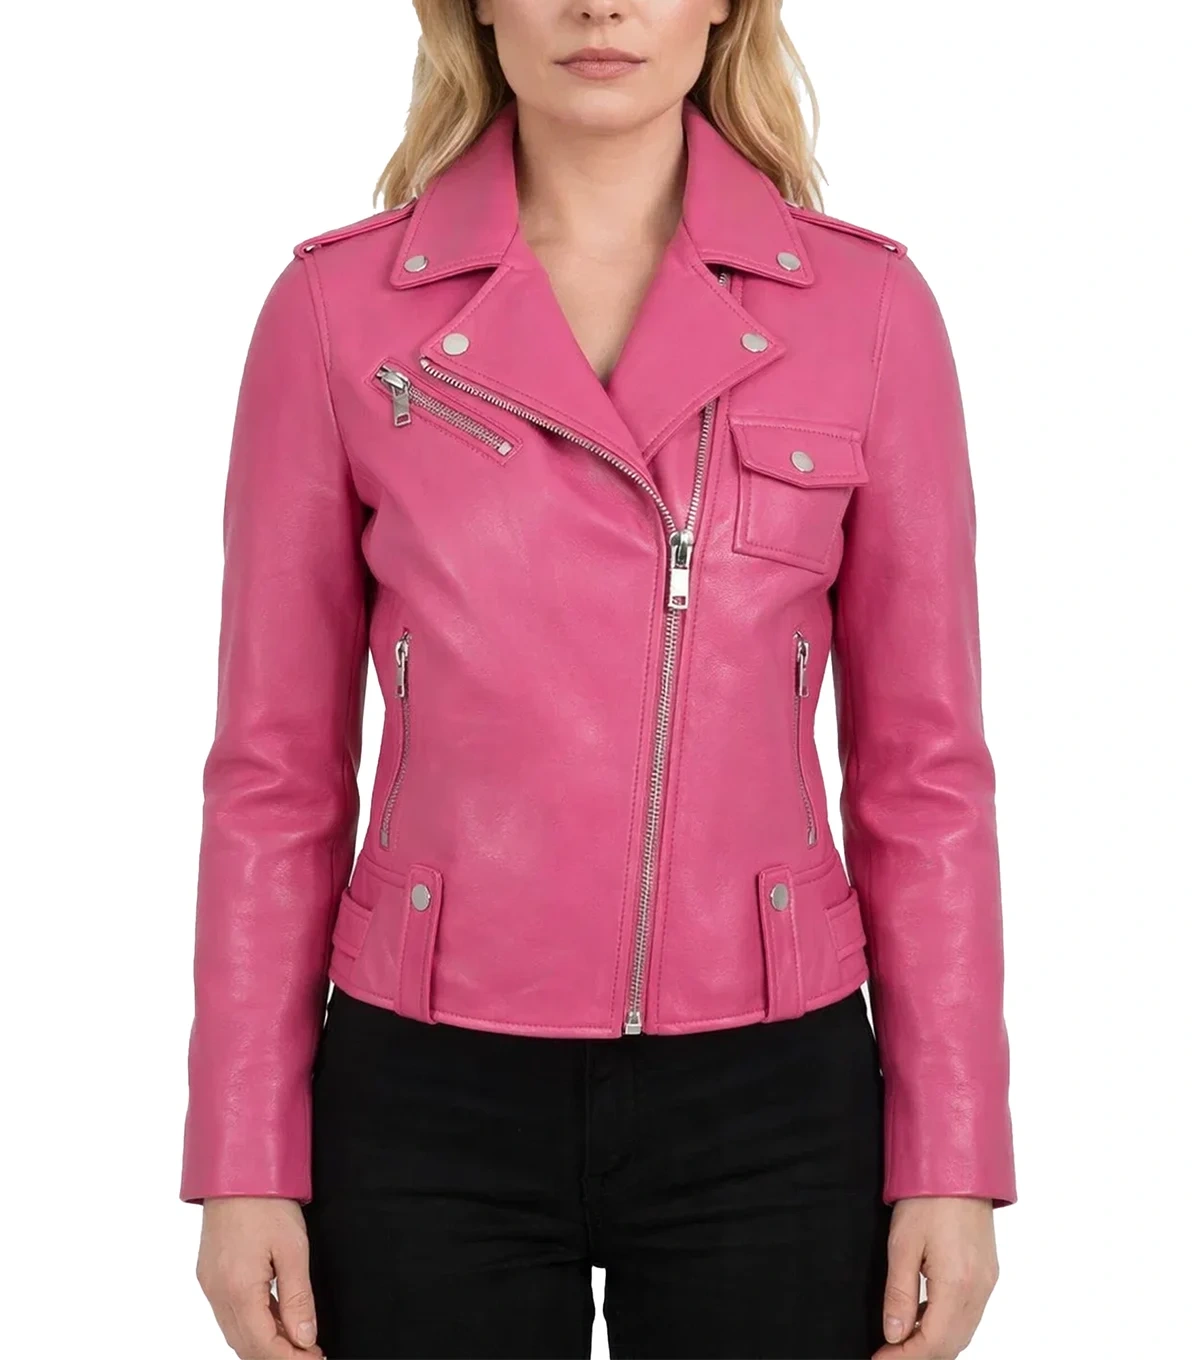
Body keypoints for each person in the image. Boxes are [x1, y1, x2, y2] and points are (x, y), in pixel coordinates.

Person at [182, 2, 1016, 1357]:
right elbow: (274, 779)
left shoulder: (867, 314)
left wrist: (954, 1152)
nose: (600, 5)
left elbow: (925, 779)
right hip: (424, 1096)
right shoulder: (337, 315)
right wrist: (243, 1157)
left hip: (772, 1100)